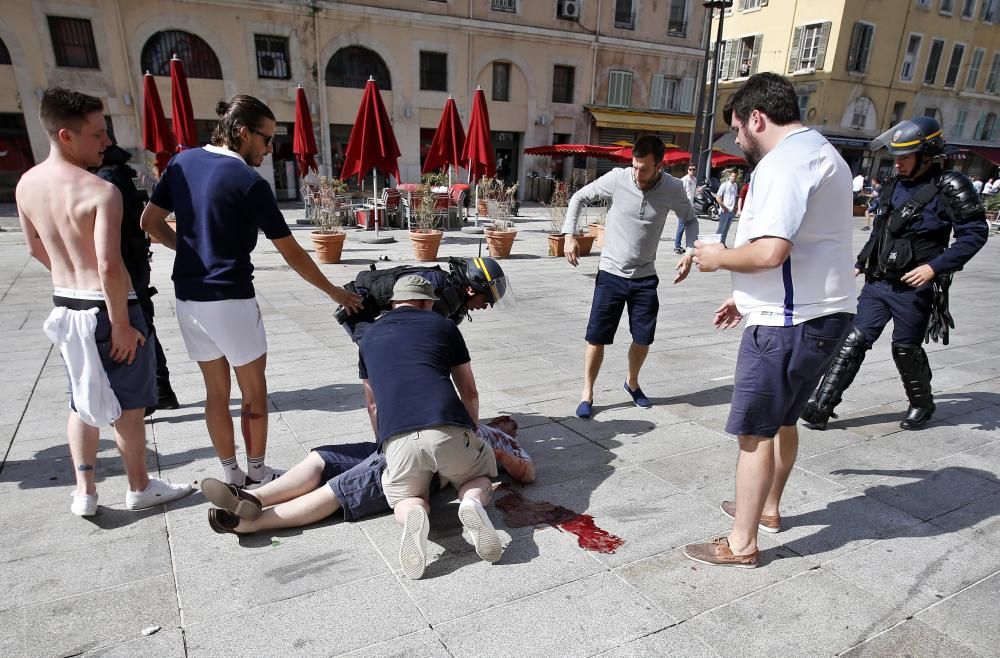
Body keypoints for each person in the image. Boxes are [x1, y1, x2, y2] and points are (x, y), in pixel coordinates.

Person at [141, 95, 363, 488]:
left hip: (188, 298)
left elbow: (151, 223)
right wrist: (334, 291)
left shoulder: (181, 162)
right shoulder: (248, 181)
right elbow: (291, 251)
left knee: (215, 392)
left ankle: (231, 474)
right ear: (242, 132)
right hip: (231, 298)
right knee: (253, 391)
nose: (269, 149)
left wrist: (190, 249)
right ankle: (258, 472)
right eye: (265, 139)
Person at [686, 72, 856, 567]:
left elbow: (771, 252)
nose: (739, 141)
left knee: (755, 432)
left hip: (789, 324)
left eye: (739, 130)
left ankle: (741, 543)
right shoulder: (822, 152)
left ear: (756, 118)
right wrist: (746, 299)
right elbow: (807, 247)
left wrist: (718, 257)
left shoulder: (782, 162)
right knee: (783, 420)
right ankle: (768, 508)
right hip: (819, 315)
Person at [15, 88, 193, 516]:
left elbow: (35, 248)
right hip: (110, 307)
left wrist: (68, 277)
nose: (106, 143)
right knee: (130, 407)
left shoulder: (27, 184)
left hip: (67, 305)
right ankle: (139, 485)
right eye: (97, 134)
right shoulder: (100, 192)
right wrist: (120, 324)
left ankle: (85, 493)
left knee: (80, 399)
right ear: (65, 135)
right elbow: (109, 265)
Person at [800, 116, 988, 432]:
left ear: (927, 154)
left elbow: (975, 233)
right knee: (852, 341)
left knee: (905, 349)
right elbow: (881, 228)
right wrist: (862, 261)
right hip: (878, 282)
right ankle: (821, 406)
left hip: (914, 287)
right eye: (896, 157)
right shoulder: (893, 183)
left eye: (904, 157)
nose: (897, 163)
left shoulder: (951, 186)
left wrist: (934, 268)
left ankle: (922, 404)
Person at [359, 276, 502, 579]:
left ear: (394, 303)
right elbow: (469, 390)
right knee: (479, 473)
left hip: (397, 439)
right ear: (427, 304)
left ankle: (413, 513)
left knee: (403, 496)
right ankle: (472, 502)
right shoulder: (444, 326)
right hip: (447, 430)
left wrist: (383, 443)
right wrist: (472, 429)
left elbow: (372, 405)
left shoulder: (367, 338)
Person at [202, 416, 534, 535]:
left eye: (510, 424)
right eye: (506, 421)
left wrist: (505, 454)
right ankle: (252, 498)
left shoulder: (501, 440)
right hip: (397, 444)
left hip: (413, 459)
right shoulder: (478, 429)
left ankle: (248, 520)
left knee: (335, 489)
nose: (507, 422)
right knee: (322, 457)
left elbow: (528, 471)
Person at [562, 135, 697, 419]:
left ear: (660, 165)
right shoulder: (617, 178)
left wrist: (689, 252)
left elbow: (690, 219)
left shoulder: (673, 188)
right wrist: (569, 235)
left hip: (645, 277)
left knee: (643, 338)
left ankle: (632, 382)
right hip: (610, 273)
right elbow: (578, 197)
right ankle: (587, 392)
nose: (637, 174)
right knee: (596, 337)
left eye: (644, 168)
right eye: (634, 167)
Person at [94, 143, 179, 413]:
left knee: (139, 328)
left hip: (126, 266)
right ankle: (160, 390)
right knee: (145, 325)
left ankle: (153, 393)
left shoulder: (105, 179)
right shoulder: (118, 173)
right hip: (134, 262)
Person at [675, 163, 700, 254]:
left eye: (694, 169)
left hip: (691, 206)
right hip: (683, 206)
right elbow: (678, 193)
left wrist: (698, 191)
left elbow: (694, 194)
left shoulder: (694, 180)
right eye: (690, 169)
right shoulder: (683, 180)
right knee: (681, 227)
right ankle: (677, 246)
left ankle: (688, 246)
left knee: (689, 226)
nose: (692, 171)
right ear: (687, 170)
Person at [715, 170, 740, 245]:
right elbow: (718, 197)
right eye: (732, 176)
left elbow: (736, 196)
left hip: (731, 211)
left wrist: (735, 207)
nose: (734, 178)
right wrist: (723, 207)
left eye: (735, 176)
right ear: (729, 176)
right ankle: (716, 244)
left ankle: (722, 243)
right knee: (721, 229)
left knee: (726, 229)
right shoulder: (724, 185)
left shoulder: (735, 185)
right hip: (725, 211)